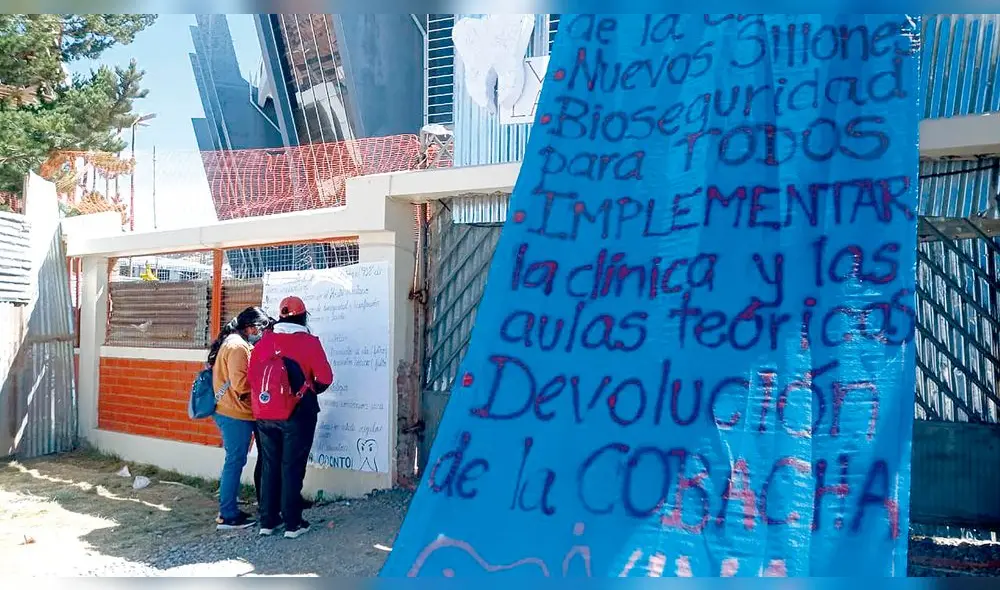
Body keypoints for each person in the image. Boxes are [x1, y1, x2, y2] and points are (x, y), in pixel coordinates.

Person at [249, 296, 333, 539]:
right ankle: (293, 523)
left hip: (264, 414)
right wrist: (308, 391)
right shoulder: (308, 343)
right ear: (303, 316)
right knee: (292, 466)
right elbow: (325, 378)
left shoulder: (265, 341)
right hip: (298, 414)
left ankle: (267, 521)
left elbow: (252, 376)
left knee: (269, 465)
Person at [209, 306, 271, 530]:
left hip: (230, 411)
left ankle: (229, 509)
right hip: (235, 412)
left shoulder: (233, 342)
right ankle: (227, 515)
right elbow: (241, 385)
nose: (261, 333)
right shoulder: (238, 347)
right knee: (235, 462)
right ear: (251, 327)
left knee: (235, 461)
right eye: (260, 329)